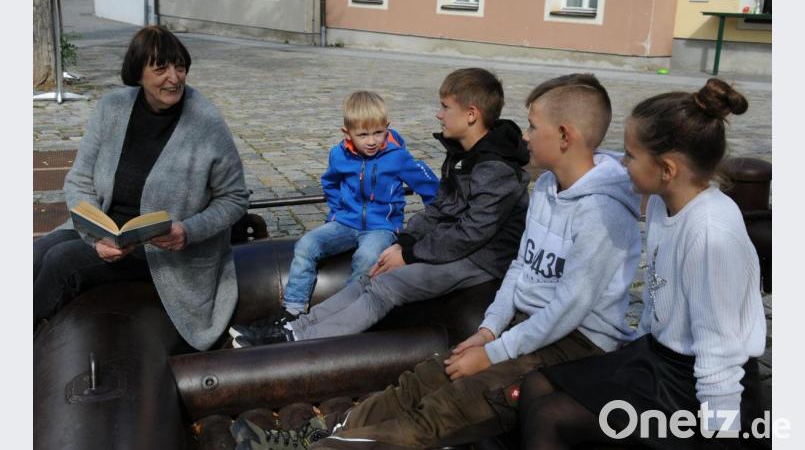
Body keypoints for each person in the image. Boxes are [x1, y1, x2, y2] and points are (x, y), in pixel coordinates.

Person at [232, 73, 643, 450]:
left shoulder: (602, 215)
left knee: (454, 403)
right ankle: (325, 431)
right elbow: (522, 267)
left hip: (575, 342)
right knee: (428, 377)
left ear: (565, 135)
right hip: (526, 326)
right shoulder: (548, 188)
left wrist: (494, 354)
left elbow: (567, 309)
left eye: (533, 126)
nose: (526, 137)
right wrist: (488, 330)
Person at [517, 78, 767, 450]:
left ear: (667, 169)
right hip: (657, 360)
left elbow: (721, 353)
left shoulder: (711, 234)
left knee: (549, 416)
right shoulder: (665, 204)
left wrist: (722, 436)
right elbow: (659, 302)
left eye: (631, 155)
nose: (622, 162)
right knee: (537, 384)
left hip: (697, 394)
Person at [234, 67, 531, 349]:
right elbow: (440, 209)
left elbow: (472, 233)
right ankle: (296, 325)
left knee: (388, 285)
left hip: (481, 259)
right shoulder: (463, 155)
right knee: (373, 272)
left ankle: (301, 340)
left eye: (445, 107)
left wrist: (411, 254)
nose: (439, 115)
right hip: (456, 246)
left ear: (471, 114)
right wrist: (404, 242)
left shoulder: (495, 168)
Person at [33, 26, 250, 351]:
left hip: (165, 250)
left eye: (180, 66)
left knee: (62, 262)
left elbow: (234, 199)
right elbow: (78, 180)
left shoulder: (206, 123)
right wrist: (97, 237)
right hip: (107, 231)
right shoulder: (111, 109)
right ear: (138, 73)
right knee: (35, 253)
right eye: (160, 68)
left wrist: (186, 231)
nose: (174, 78)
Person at [230, 91, 438, 344]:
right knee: (307, 245)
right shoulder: (339, 155)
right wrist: (337, 212)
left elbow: (430, 187)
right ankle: (292, 309)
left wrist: (435, 218)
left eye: (378, 133)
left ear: (387, 128)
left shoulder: (398, 157)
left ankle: (346, 317)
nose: (371, 141)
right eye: (362, 135)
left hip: (381, 227)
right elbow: (330, 181)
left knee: (367, 258)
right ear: (347, 132)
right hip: (345, 222)